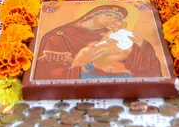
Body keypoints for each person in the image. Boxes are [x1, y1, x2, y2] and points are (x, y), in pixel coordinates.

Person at [34, 5, 162, 80]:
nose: (113, 20)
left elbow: (129, 56)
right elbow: (47, 73)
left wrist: (144, 47)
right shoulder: (59, 37)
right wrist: (91, 66)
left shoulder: (110, 35)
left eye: (117, 19)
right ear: (93, 14)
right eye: (109, 15)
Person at [71, 19, 135, 75]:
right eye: (111, 23)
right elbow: (103, 41)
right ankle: (75, 65)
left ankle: (87, 63)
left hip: (118, 49)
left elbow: (128, 42)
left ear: (118, 26)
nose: (111, 25)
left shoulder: (125, 33)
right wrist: (96, 45)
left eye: (113, 23)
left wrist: (117, 43)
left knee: (102, 52)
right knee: (85, 50)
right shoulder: (110, 33)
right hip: (106, 46)